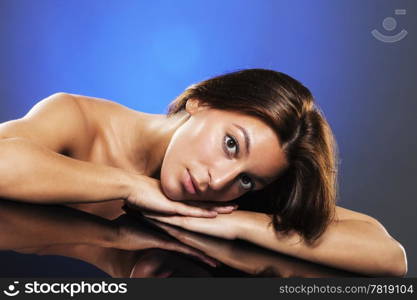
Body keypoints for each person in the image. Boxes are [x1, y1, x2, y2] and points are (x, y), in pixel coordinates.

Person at [0, 68, 407, 276]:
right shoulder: (79, 119)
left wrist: (237, 226)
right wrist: (132, 186)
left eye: (247, 179)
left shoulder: (230, 201)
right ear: (201, 101)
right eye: (231, 144)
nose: (219, 180)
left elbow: (388, 256)